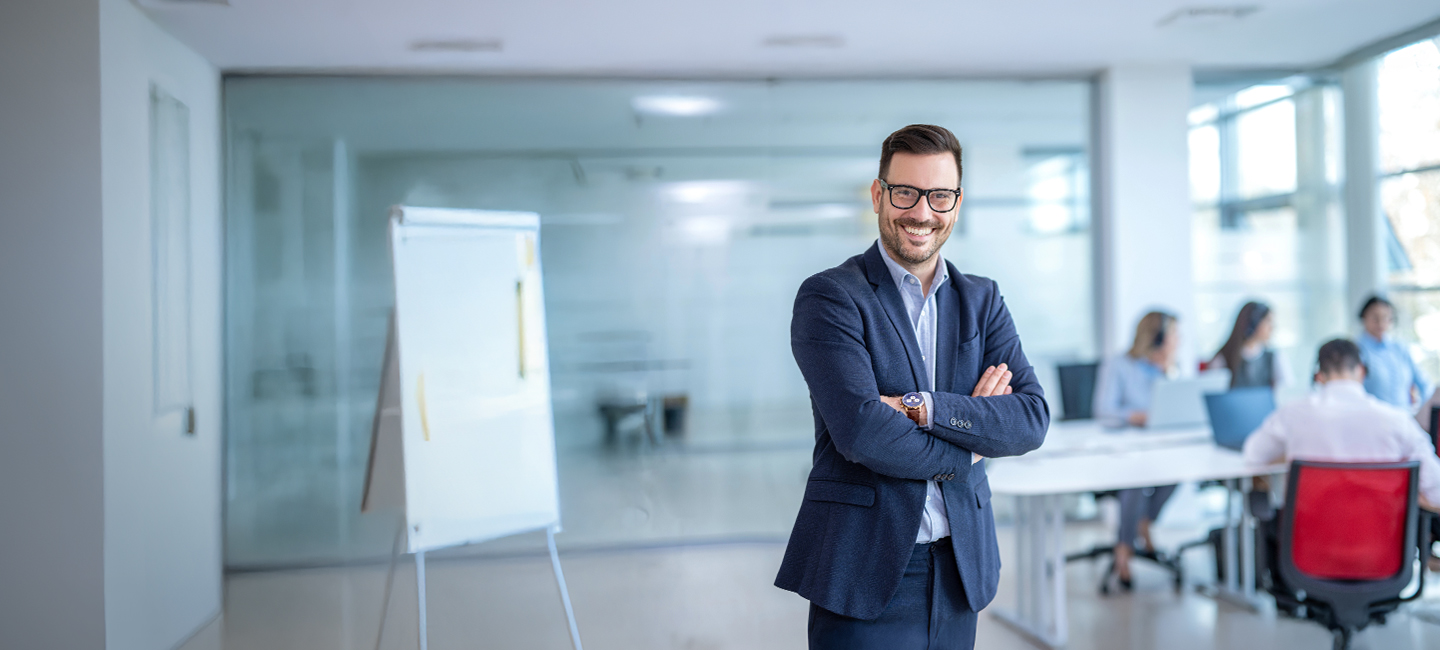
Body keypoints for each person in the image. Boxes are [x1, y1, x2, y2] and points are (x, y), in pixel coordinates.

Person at [775, 124, 1049, 650]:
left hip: (959, 568)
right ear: (879, 194)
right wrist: (969, 446)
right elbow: (861, 431)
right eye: (906, 192)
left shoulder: (982, 300)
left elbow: (1031, 418)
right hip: (865, 571)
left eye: (939, 196)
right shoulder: (831, 297)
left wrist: (919, 408)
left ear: (957, 202)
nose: (922, 213)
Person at [1243, 338, 1440, 591]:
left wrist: (1288, 452)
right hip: (1382, 554)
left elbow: (1253, 455)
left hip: (1308, 554)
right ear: (1362, 371)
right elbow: (1436, 491)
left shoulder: (1293, 414)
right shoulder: (1396, 421)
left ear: (1318, 376)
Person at [1091, 311, 1180, 589]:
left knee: (1183, 467)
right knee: (1135, 481)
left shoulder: (1167, 367)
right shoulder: (1118, 365)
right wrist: (1136, 416)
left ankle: (1142, 521)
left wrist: (1167, 373)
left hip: (1157, 448)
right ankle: (1124, 550)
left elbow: (1178, 407)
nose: (1178, 341)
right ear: (1158, 337)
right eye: (1174, 335)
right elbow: (1103, 411)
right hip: (1120, 450)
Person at [1356, 295, 1433, 409]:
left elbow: (1425, 385)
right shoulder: (1356, 351)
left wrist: (1422, 413)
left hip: (1404, 420)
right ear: (1364, 317)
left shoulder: (1400, 348)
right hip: (1373, 422)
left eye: (1386, 317)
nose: (1381, 323)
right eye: (1375, 317)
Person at [1209, 301, 1291, 389]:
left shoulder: (1274, 357)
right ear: (1252, 324)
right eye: (1268, 321)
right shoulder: (1223, 358)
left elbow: (1285, 391)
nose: (1272, 327)